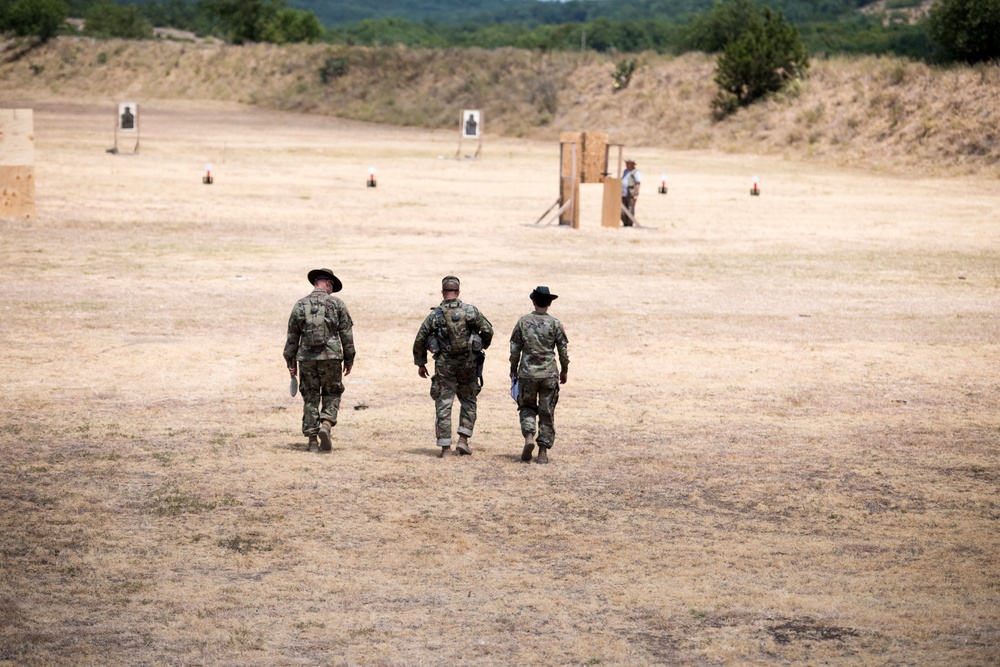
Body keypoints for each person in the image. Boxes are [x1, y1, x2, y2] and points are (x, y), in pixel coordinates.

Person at [413, 276, 493, 457]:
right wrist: (481, 347)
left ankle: (445, 447)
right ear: (458, 292)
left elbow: (420, 339)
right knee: (469, 400)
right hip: (468, 364)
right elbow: (488, 330)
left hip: (444, 366)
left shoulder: (435, 315)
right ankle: (463, 439)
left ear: (443, 292)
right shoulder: (471, 311)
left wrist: (421, 363)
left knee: (444, 402)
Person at [283, 268, 355, 452]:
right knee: (332, 393)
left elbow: (292, 337)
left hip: (306, 359)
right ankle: (326, 425)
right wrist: (349, 358)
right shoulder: (337, 304)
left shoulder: (300, 305)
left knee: (310, 397)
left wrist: (290, 362)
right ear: (328, 283)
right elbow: (346, 334)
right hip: (332, 358)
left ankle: (313, 441)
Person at [509, 286, 569, 464]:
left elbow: (515, 349)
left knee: (527, 407)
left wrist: (513, 368)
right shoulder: (556, 324)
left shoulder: (522, 322)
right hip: (549, 374)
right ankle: (542, 451)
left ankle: (528, 435)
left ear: (533, 301)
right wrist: (564, 370)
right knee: (546, 411)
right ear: (549, 303)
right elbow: (563, 351)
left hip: (527, 373)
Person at [621, 157, 641, 227]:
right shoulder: (625, 171)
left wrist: (636, 194)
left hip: (630, 194)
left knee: (630, 209)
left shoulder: (636, 172)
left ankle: (629, 224)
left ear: (632, 164)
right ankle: (625, 223)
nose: (626, 164)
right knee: (622, 211)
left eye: (628, 163)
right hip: (623, 193)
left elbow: (638, 183)